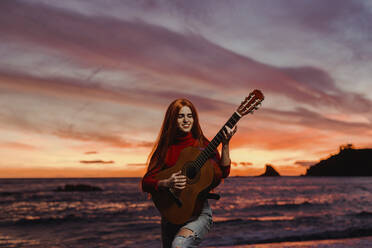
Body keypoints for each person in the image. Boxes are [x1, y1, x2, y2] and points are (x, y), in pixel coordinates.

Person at [142, 98, 237, 248]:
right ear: (172, 120)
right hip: (171, 213)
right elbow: (146, 182)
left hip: (198, 214)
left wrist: (225, 144)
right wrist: (166, 183)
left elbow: (223, 172)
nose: (186, 120)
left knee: (179, 245)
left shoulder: (204, 145)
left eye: (190, 116)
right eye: (181, 116)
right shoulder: (165, 149)